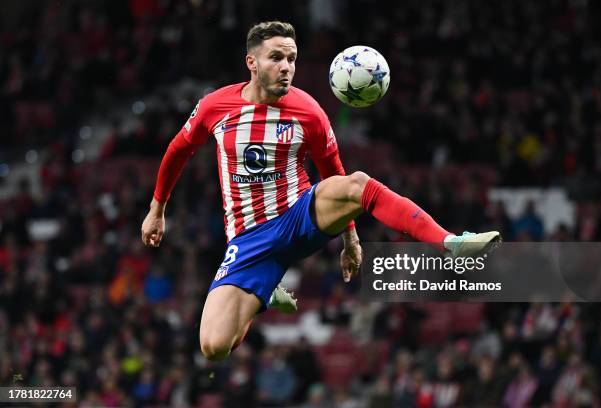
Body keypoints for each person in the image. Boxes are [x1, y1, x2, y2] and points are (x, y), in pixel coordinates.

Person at [141, 21, 501, 361]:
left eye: (292, 59)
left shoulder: (308, 111)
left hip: (299, 215)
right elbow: (178, 150)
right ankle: (266, 291)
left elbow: (334, 174)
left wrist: (350, 240)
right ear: (251, 62)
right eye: (277, 57)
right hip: (250, 240)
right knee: (214, 347)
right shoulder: (215, 106)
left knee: (359, 183)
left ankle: (451, 243)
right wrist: (157, 209)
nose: (287, 67)